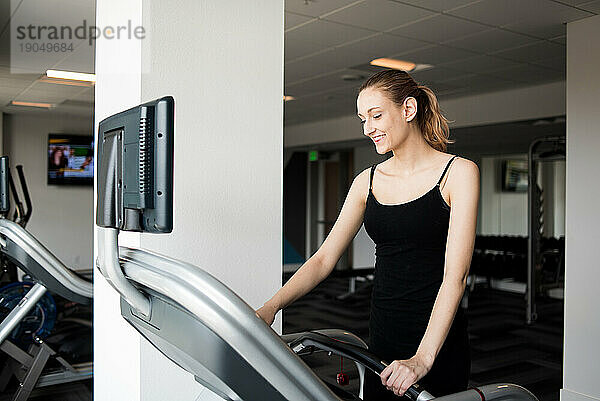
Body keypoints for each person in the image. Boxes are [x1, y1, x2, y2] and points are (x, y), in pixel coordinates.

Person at [256, 69, 479, 399]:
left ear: (408, 110)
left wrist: (422, 359)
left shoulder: (458, 173)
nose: (368, 128)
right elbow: (322, 260)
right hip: (384, 331)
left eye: (376, 115)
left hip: (436, 337)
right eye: (363, 119)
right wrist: (270, 308)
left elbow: (455, 277)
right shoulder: (367, 181)